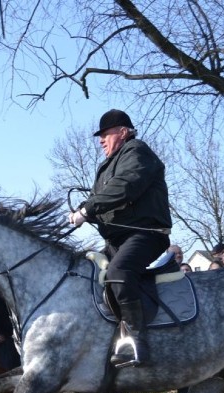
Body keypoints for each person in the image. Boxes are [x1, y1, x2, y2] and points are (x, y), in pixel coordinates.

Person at [68, 109, 172, 367]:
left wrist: (87, 210)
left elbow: (125, 186)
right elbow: (99, 201)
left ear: (123, 132)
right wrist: (83, 210)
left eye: (105, 134)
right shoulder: (107, 166)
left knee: (119, 270)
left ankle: (137, 342)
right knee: (86, 272)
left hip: (146, 234)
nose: (101, 140)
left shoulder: (137, 152)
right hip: (117, 239)